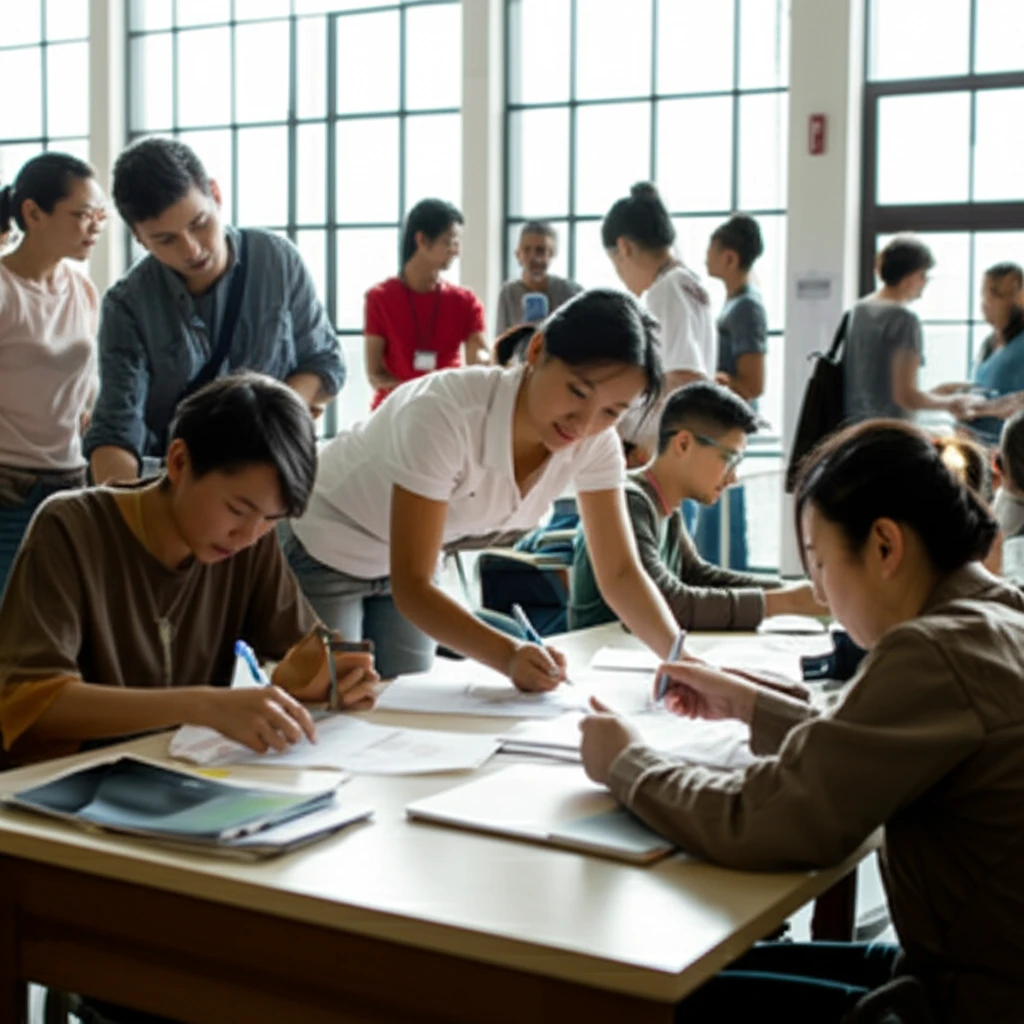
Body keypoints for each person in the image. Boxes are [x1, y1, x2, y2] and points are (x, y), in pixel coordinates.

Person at [579, 418, 1024, 1023]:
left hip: (968, 1000)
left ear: (885, 546)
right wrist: (746, 703)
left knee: (644, 998)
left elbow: (772, 821)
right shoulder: (998, 615)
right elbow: (868, 755)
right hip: (971, 967)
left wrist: (627, 765)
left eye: (818, 562)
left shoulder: (935, 651)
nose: (819, 593)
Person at [283, 288, 683, 684]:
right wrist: (509, 657)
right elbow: (414, 587)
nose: (584, 423)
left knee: (406, 701)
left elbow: (618, 573)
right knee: (333, 701)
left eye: (612, 411)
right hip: (328, 541)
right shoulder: (444, 413)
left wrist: (681, 660)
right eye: (577, 391)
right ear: (537, 350)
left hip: (410, 564)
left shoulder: (596, 443)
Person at [0, 373, 378, 768]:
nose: (247, 535)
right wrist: (202, 705)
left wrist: (335, 676)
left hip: (175, 775)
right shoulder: (71, 526)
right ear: (179, 461)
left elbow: (302, 653)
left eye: (271, 519)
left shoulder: (248, 542)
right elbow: (32, 700)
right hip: (55, 786)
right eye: (237, 509)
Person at [83, 137, 344, 484]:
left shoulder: (276, 260)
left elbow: (325, 363)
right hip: (178, 488)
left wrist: (272, 425)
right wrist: (121, 516)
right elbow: (118, 429)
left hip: (271, 473)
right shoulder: (127, 305)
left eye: (199, 223)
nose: (191, 250)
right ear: (139, 238)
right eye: (166, 240)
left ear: (216, 195)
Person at [570, 382, 822, 630]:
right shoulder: (630, 501)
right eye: (730, 459)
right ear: (683, 444)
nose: (733, 477)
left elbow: (697, 575)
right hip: (599, 654)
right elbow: (669, 603)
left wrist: (789, 590)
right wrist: (787, 602)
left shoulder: (665, 505)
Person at [0, 153, 106, 595]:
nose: (95, 227)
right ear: (32, 213)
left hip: (70, 482)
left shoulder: (82, 288)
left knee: (63, 622)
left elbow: (89, 380)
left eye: (100, 215)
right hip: (8, 491)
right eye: (82, 215)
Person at [604, 182, 715, 464]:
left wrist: (624, 421)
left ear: (624, 247)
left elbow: (682, 378)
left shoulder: (666, 290)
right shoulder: (689, 282)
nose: (620, 275)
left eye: (614, 263)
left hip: (666, 452)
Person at [364, 198, 488, 411]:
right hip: (392, 411)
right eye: (449, 241)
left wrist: (489, 362)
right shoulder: (379, 298)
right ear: (422, 240)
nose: (456, 251)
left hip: (447, 409)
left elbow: (479, 356)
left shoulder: (465, 302)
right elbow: (375, 373)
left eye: (457, 242)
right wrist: (414, 396)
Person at [843, 235, 975, 425]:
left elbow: (875, 386)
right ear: (909, 276)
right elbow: (905, 397)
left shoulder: (858, 311)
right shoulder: (904, 320)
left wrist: (935, 393)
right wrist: (952, 402)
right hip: (891, 433)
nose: (925, 282)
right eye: (923, 275)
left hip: (854, 428)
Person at [698, 213, 768, 569]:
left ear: (730, 257)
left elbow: (754, 382)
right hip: (719, 428)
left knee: (722, 514)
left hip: (728, 429)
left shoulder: (747, 308)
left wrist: (721, 381)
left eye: (711, 250)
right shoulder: (733, 303)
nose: (704, 257)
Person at [961, 262, 1024, 445]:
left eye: (995, 295)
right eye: (984, 294)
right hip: (979, 449)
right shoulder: (988, 344)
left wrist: (985, 409)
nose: (985, 303)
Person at [494, 221, 583, 336]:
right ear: (518, 255)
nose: (533, 257)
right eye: (527, 250)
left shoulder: (572, 292)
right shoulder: (508, 293)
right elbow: (501, 340)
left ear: (552, 254)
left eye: (540, 250)